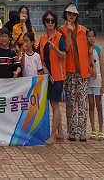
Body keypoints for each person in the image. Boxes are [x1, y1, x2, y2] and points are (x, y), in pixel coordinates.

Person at [61, 3, 91, 142]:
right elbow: (66, 49)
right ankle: (72, 131)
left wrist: (92, 66)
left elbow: (91, 48)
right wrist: (68, 32)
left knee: (83, 103)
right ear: (65, 15)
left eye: (73, 14)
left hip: (82, 72)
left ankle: (83, 131)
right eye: (69, 14)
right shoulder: (62, 30)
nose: (71, 16)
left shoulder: (84, 31)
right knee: (71, 103)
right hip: (70, 72)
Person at [39, 10, 66, 144]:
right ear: (44, 22)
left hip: (57, 76)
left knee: (55, 104)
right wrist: (43, 67)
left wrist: (55, 49)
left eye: (52, 20)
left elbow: (64, 55)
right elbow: (41, 56)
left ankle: (53, 135)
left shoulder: (60, 37)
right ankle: (60, 131)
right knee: (52, 103)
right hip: (47, 76)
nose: (50, 22)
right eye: (47, 20)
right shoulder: (43, 37)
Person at [87, 29, 104, 141]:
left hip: (97, 80)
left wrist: (103, 84)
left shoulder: (99, 50)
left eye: (92, 36)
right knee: (91, 105)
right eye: (89, 36)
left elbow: (102, 68)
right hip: (89, 80)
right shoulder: (86, 49)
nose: (91, 38)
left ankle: (101, 130)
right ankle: (93, 129)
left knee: (99, 106)